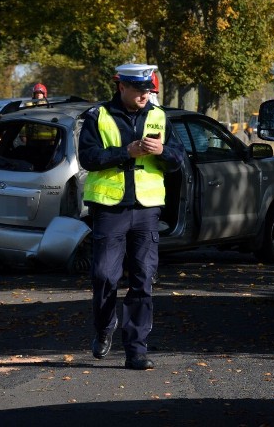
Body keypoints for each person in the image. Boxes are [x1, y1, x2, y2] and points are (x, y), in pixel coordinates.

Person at [78, 63, 184, 371]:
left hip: (147, 209)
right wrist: (127, 151)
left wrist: (162, 150)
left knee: (143, 280)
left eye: (149, 91)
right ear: (121, 87)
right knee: (104, 276)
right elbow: (88, 157)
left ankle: (136, 350)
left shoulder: (159, 116)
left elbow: (177, 160)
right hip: (110, 209)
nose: (145, 96)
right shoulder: (98, 116)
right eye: (140, 90)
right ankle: (104, 326)